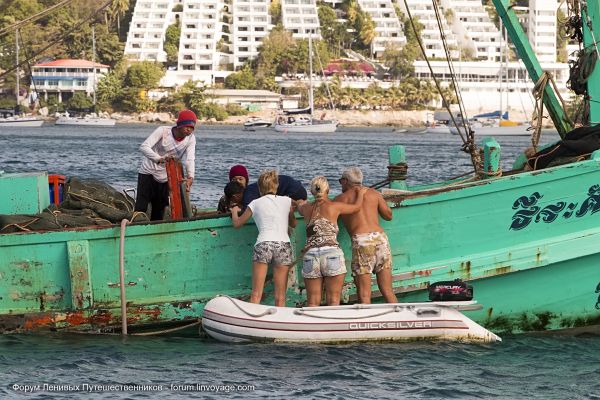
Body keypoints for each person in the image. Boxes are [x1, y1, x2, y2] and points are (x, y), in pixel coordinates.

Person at [296, 176, 366, 306]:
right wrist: (360, 193)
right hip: (331, 253)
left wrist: (299, 202)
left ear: (312, 191)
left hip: (310, 257)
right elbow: (356, 207)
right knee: (333, 300)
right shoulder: (335, 206)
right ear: (327, 190)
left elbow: (299, 204)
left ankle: (313, 326)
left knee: (312, 302)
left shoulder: (306, 209)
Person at [231, 170, 297, 307]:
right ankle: (279, 324)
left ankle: (252, 324)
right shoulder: (287, 201)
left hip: (263, 244)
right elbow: (294, 224)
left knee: (256, 294)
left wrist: (233, 212)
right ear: (276, 186)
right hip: (283, 245)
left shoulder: (254, 203)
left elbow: (237, 224)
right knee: (280, 297)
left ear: (259, 188)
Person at [334, 166, 397, 304]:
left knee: (364, 295)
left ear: (345, 181)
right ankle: (400, 319)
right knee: (387, 291)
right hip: (380, 238)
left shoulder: (340, 199)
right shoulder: (374, 193)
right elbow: (388, 215)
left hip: (361, 240)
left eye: (340, 181)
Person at [134, 109, 197, 220]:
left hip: (166, 177)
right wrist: (159, 159)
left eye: (192, 127)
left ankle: (155, 234)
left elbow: (190, 159)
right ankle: (135, 229)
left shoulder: (191, 139)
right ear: (179, 125)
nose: (189, 130)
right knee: (141, 207)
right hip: (148, 172)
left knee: (159, 209)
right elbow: (144, 147)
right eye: (187, 126)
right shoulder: (163, 131)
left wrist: (190, 176)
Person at [242, 174, 307, 208]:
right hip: (300, 189)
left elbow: (248, 208)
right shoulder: (253, 187)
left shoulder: (248, 192)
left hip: (294, 192)